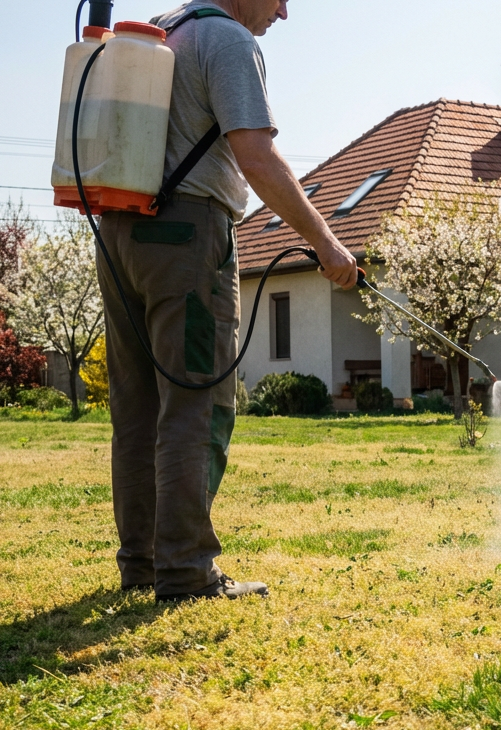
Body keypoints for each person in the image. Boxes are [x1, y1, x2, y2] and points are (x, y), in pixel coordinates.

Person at [97, 0, 357, 601]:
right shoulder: (229, 41)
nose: (285, 13)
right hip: (186, 238)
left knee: (135, 409)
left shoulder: (163, 30)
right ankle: (186, 569)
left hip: (117, 234)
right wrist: (327, 245)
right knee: (196, 400)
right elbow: (257, 156)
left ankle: (141, 562)